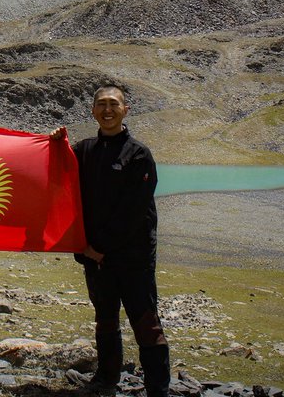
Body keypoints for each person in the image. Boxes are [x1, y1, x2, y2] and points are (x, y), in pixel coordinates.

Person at [70, 82, 170, 396]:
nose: (108, 110)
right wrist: (52, 144)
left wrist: (99, 247)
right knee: (105, 319)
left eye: (114, 104)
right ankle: (106, 379)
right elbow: (57, 176)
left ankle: (157, 388)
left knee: (145, 322)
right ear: (93, 110)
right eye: (102, 104)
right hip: (95, 258)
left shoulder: (139, 154)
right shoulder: (84, 150)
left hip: (133, 257)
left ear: (125, 110)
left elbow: (134, 211)